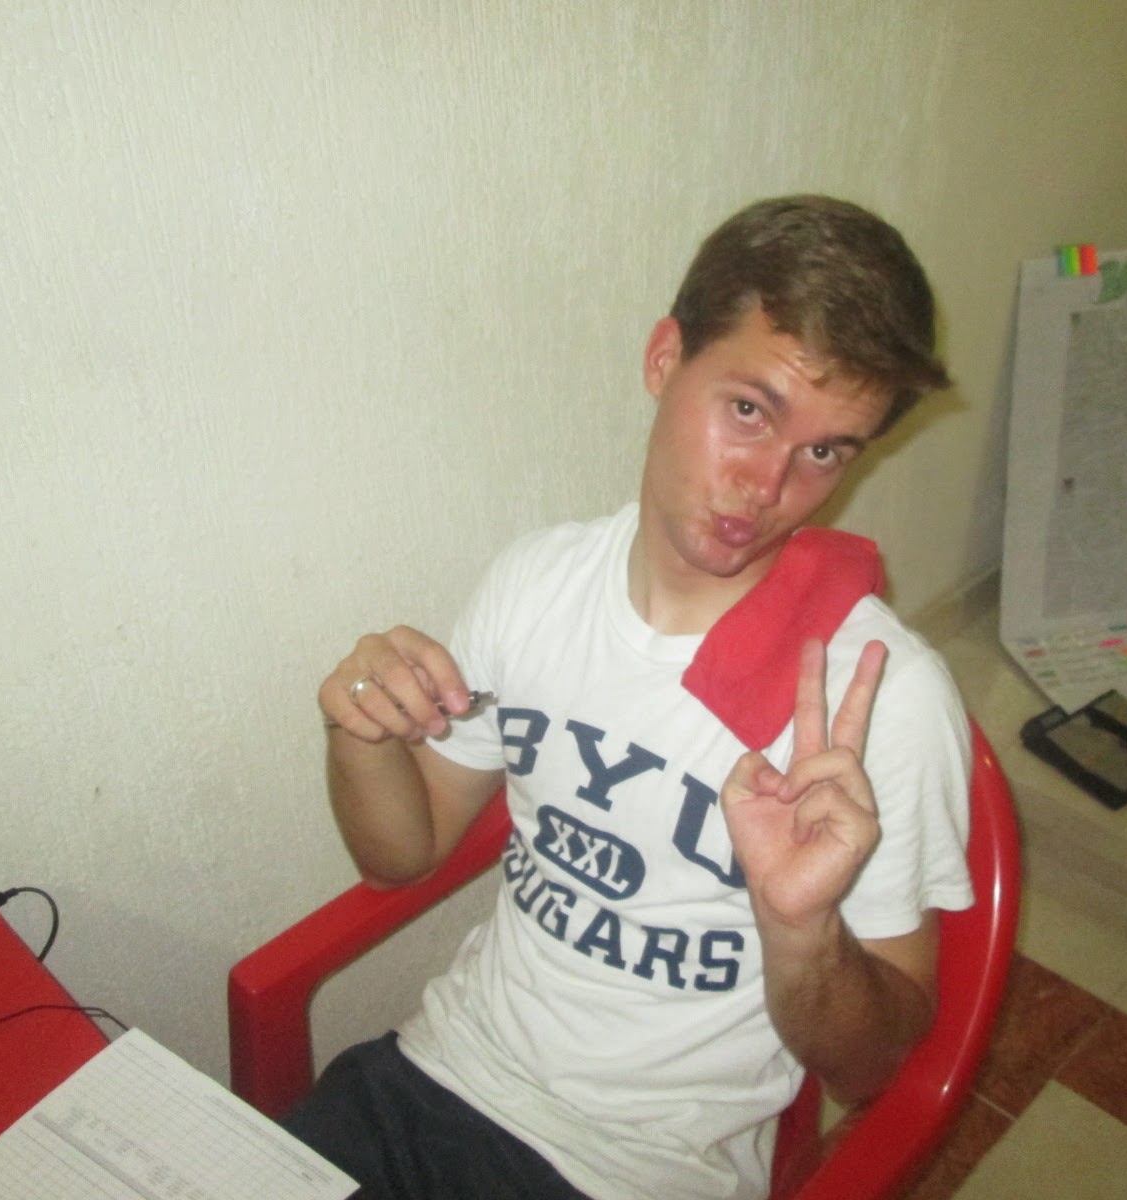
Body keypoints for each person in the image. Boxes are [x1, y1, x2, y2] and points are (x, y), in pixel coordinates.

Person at [289, 195, 974, 1200]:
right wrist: (359, 731)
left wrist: (800, 933)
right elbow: (402, 851)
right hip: (427, 1082)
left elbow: (871, 1069)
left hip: (636, 1171)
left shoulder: (879, 700)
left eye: (826, 450)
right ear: (664, 358)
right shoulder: (537, 583)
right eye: (750, 410)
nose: (766, 485)